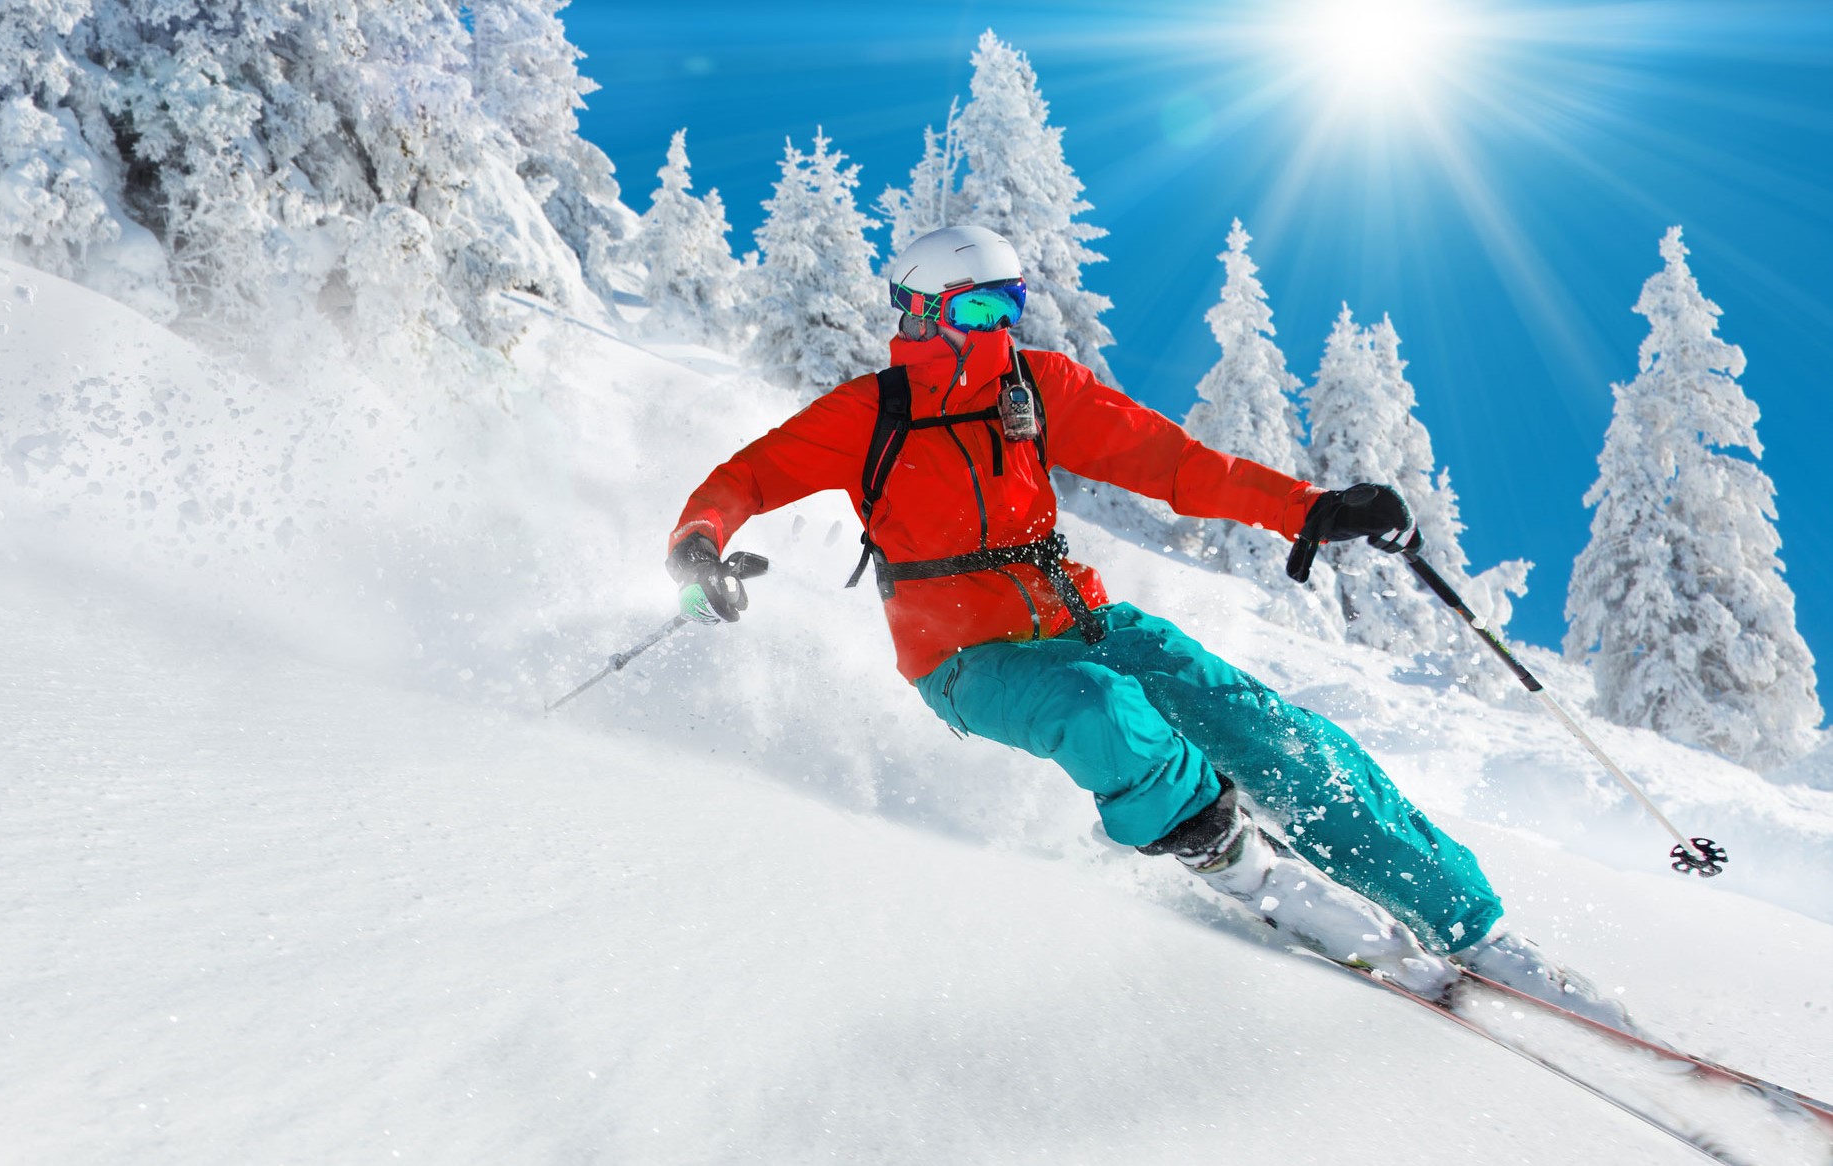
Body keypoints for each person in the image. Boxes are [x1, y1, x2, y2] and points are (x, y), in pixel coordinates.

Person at [666, 225, 1631, 1022]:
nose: (998, 325)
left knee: (1274, 732)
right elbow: (742, 479)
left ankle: (1471, 928)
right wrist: (699, 546)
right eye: (974, 308)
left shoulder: (1033, 389)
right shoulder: (866, 414)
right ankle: (1248, 869)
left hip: (1083, 615)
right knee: (1099, 711)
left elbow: (1175, 465)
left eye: (1010, 303)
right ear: (919, 313)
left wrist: (1308, 507)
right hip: (964, 657)